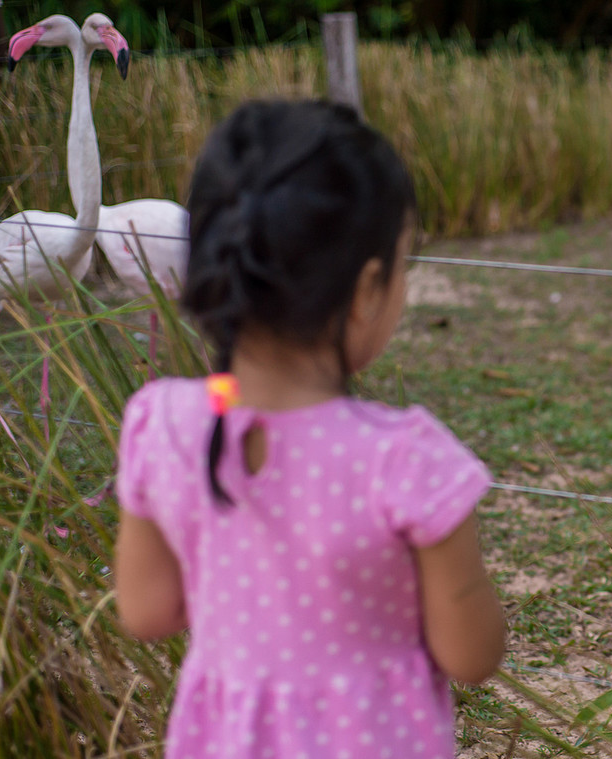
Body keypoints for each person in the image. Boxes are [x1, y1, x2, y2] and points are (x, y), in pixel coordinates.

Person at [113, 99, 506, 759]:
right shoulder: (406, 457)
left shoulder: (162, 424)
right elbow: (471, 653)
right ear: (367, 287)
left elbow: (144, 609)